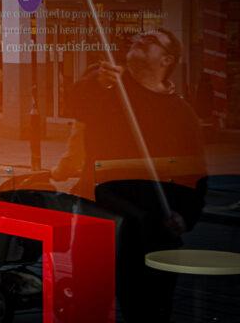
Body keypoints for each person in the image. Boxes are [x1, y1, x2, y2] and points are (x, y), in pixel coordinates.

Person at [53, 28, 206, 323]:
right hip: (99, 214)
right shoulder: (109, 85)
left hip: (152, 224)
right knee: (89, 304)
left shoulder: (181, 113)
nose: (138, 41)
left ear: (167, 60)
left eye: (149, 41)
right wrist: (95, 83)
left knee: (148, 310)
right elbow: (74, 103)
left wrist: (186, 215)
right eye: (138, 37)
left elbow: (194, 173)